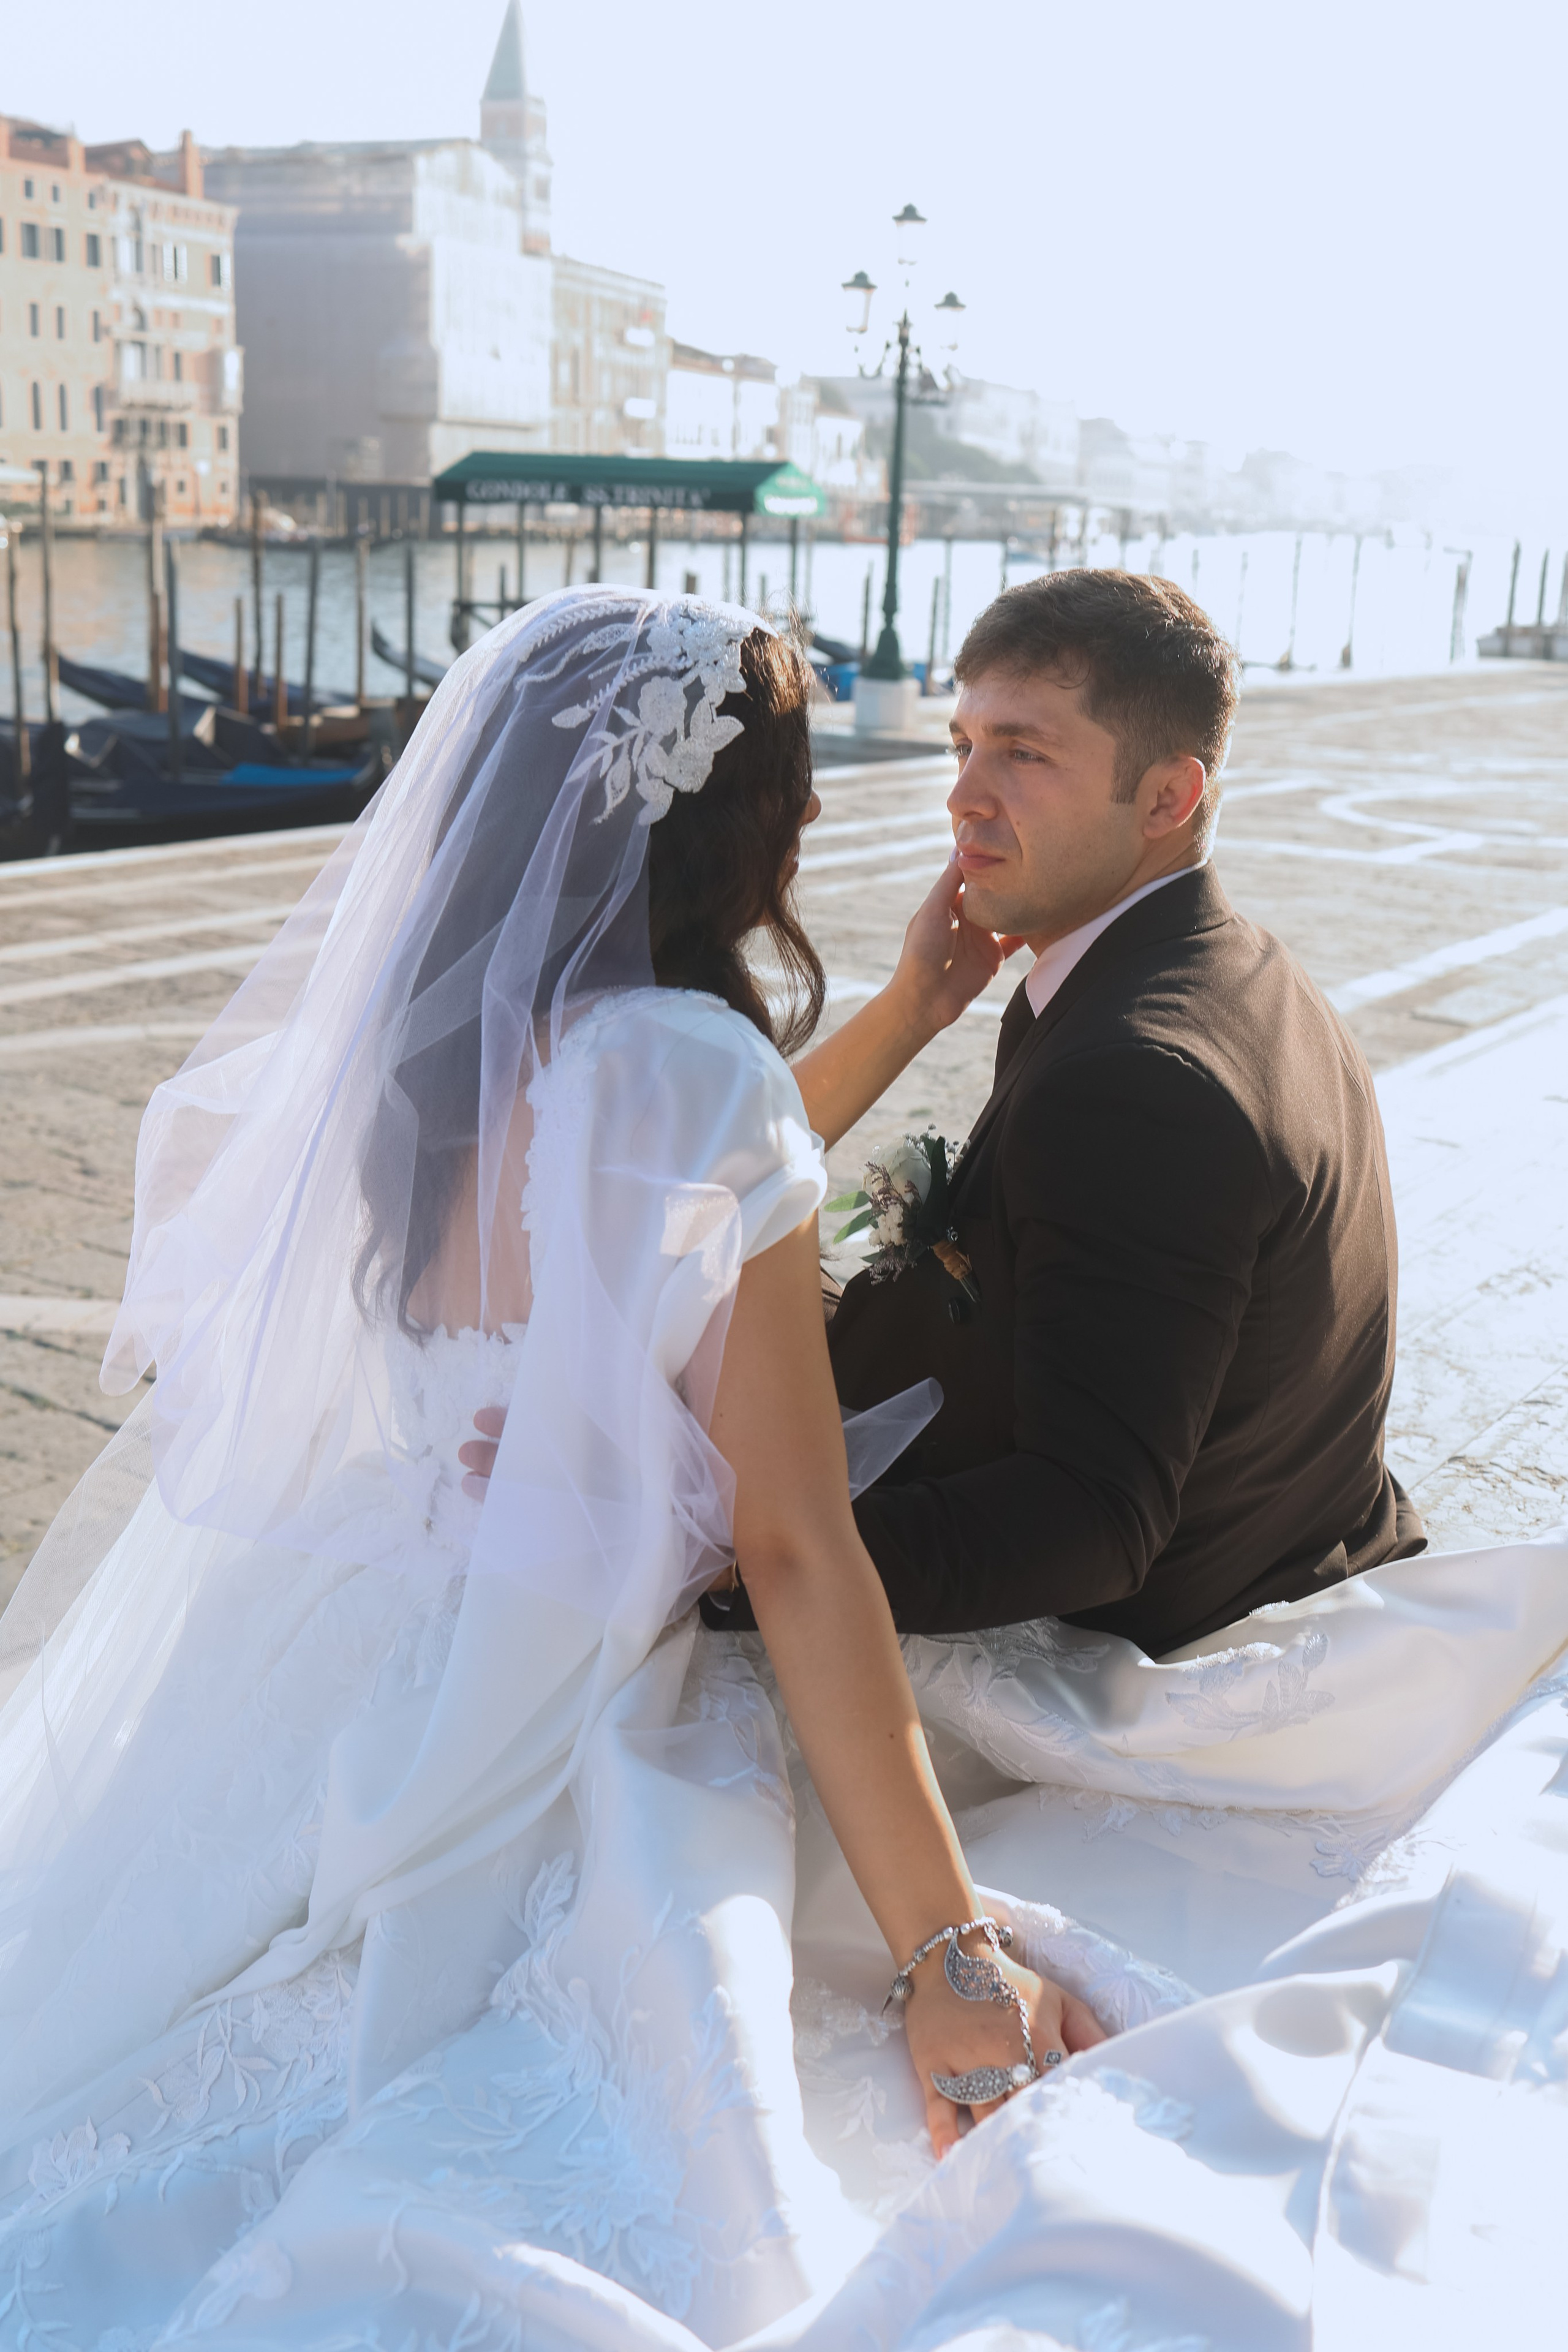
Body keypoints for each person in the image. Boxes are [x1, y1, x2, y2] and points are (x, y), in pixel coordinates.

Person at [695, 570, 1428, 1657]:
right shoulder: (1234, 968)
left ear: (1169, 800)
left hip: (1162, 1641)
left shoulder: (1138, 1081)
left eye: (1024, 753)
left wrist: (745, 1563)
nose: (964, 797)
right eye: (963, 745)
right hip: (1282, 1541)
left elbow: (1092, 1520)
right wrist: (916, 1008)